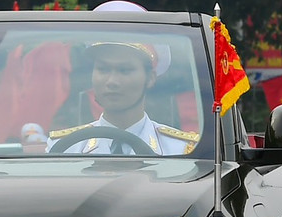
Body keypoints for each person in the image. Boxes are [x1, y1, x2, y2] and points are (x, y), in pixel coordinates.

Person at [48, 34, 198, 156]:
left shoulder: (180, 149)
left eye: (125, 70)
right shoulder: (65, 147)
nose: (112, 81)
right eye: (103, 69)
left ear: (150, 78)